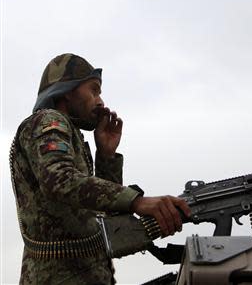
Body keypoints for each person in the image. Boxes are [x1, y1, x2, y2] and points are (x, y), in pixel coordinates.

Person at [9, 53, 191, 285]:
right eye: (93, 90)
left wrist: (106, 156)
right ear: (66, 91)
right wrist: (138, 202)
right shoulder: (48, 120)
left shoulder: (70, 135)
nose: (101, 102)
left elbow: (100, 215)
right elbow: (60, 181)